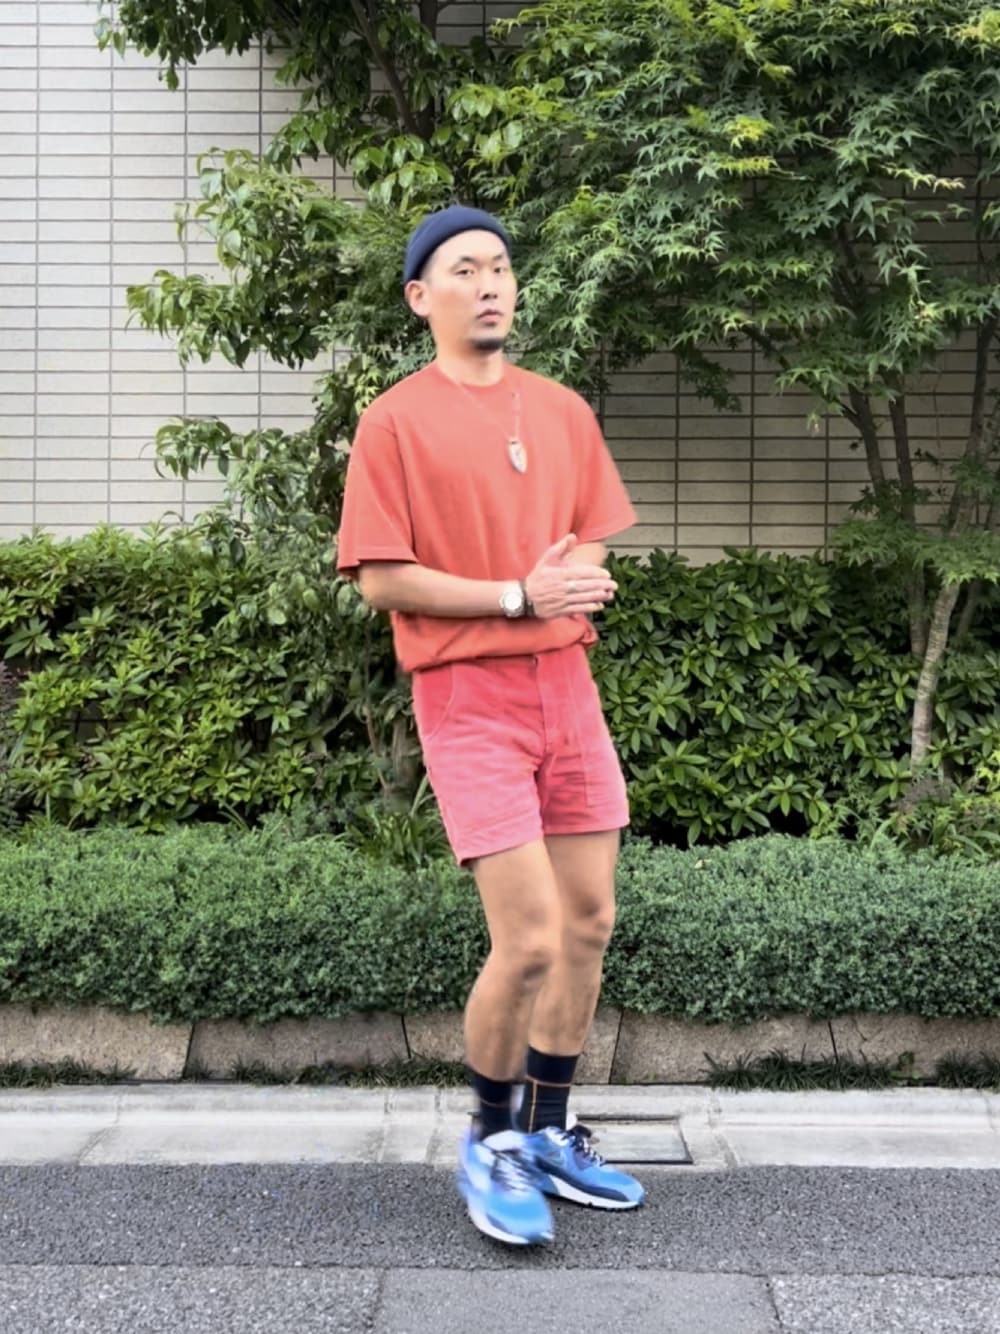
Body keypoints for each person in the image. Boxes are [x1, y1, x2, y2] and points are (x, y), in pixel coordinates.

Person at [336, 203, 645, 1246]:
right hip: (467, 697)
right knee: (530, 938)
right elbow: (382, 578)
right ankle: (489, 1137)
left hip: (568, 688)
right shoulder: (395, 422)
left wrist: (571, 583)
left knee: (589, 921)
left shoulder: (560, 410)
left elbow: (589, 544)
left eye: (501, 267)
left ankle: (549, 1128)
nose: (489, 283)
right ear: (421, 296)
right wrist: (519, 595)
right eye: (464, 269)